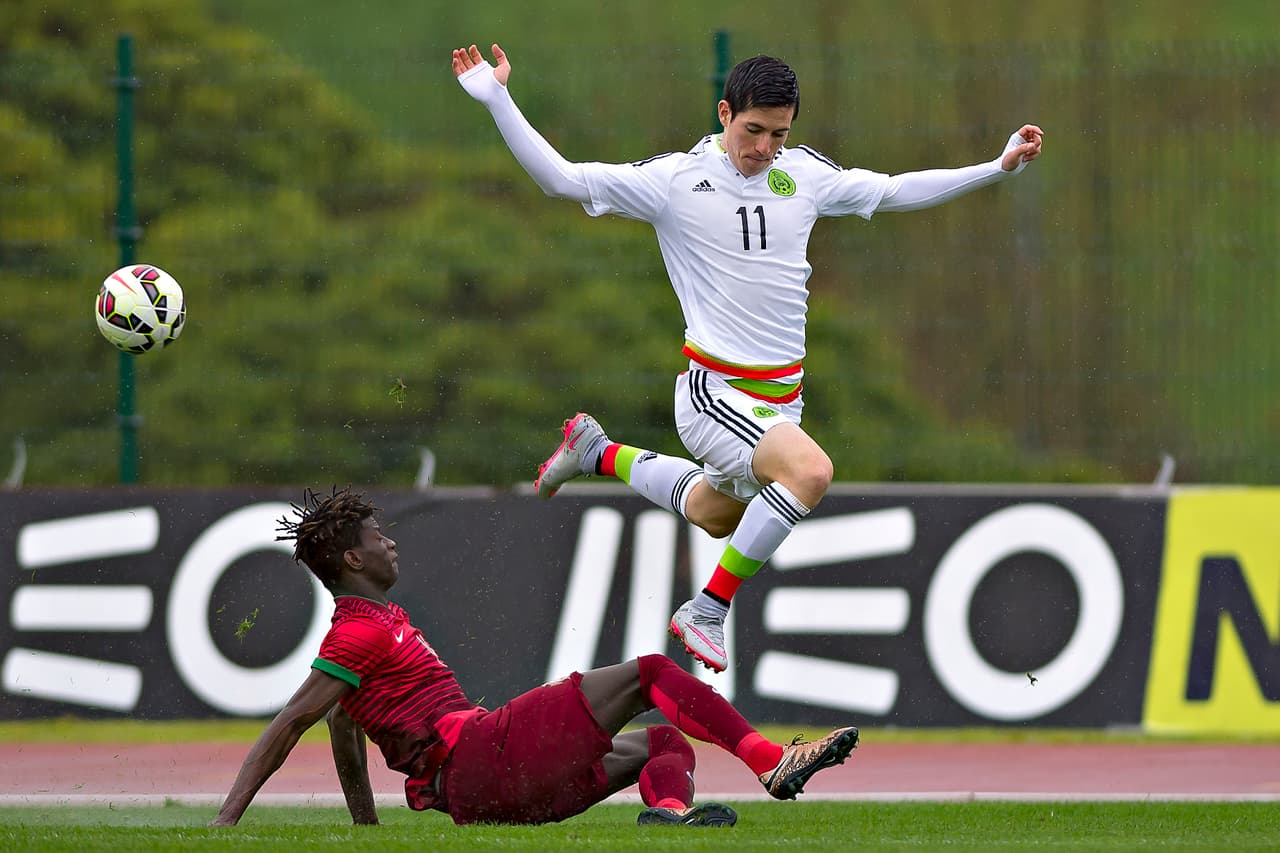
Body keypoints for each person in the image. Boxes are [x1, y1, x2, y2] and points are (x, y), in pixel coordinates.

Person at [452, 43, 1044, 674]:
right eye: (753, 131)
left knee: (713, 514)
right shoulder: (675, 181)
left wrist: (997, 166)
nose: (764, 148)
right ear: (724, 113)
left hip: (780, 403)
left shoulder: (804, 175)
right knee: (809, 474)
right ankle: (707, 609)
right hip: (714, 394)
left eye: (779, 135)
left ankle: (595, 451)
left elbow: (896, 190)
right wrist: (497, 99)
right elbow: (561, 179)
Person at [211, 487, 858, 828]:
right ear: (354, 559)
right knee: (654, 673)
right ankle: (773, 763)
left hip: (492, 792)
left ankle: (670, 814)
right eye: (379, 537)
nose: (391, 542)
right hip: (483, 757)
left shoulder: (373, 629)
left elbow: (340, 722)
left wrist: (365, 826)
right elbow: (292, 719)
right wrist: (226, 819)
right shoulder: (357, 633)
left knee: (663, 741)